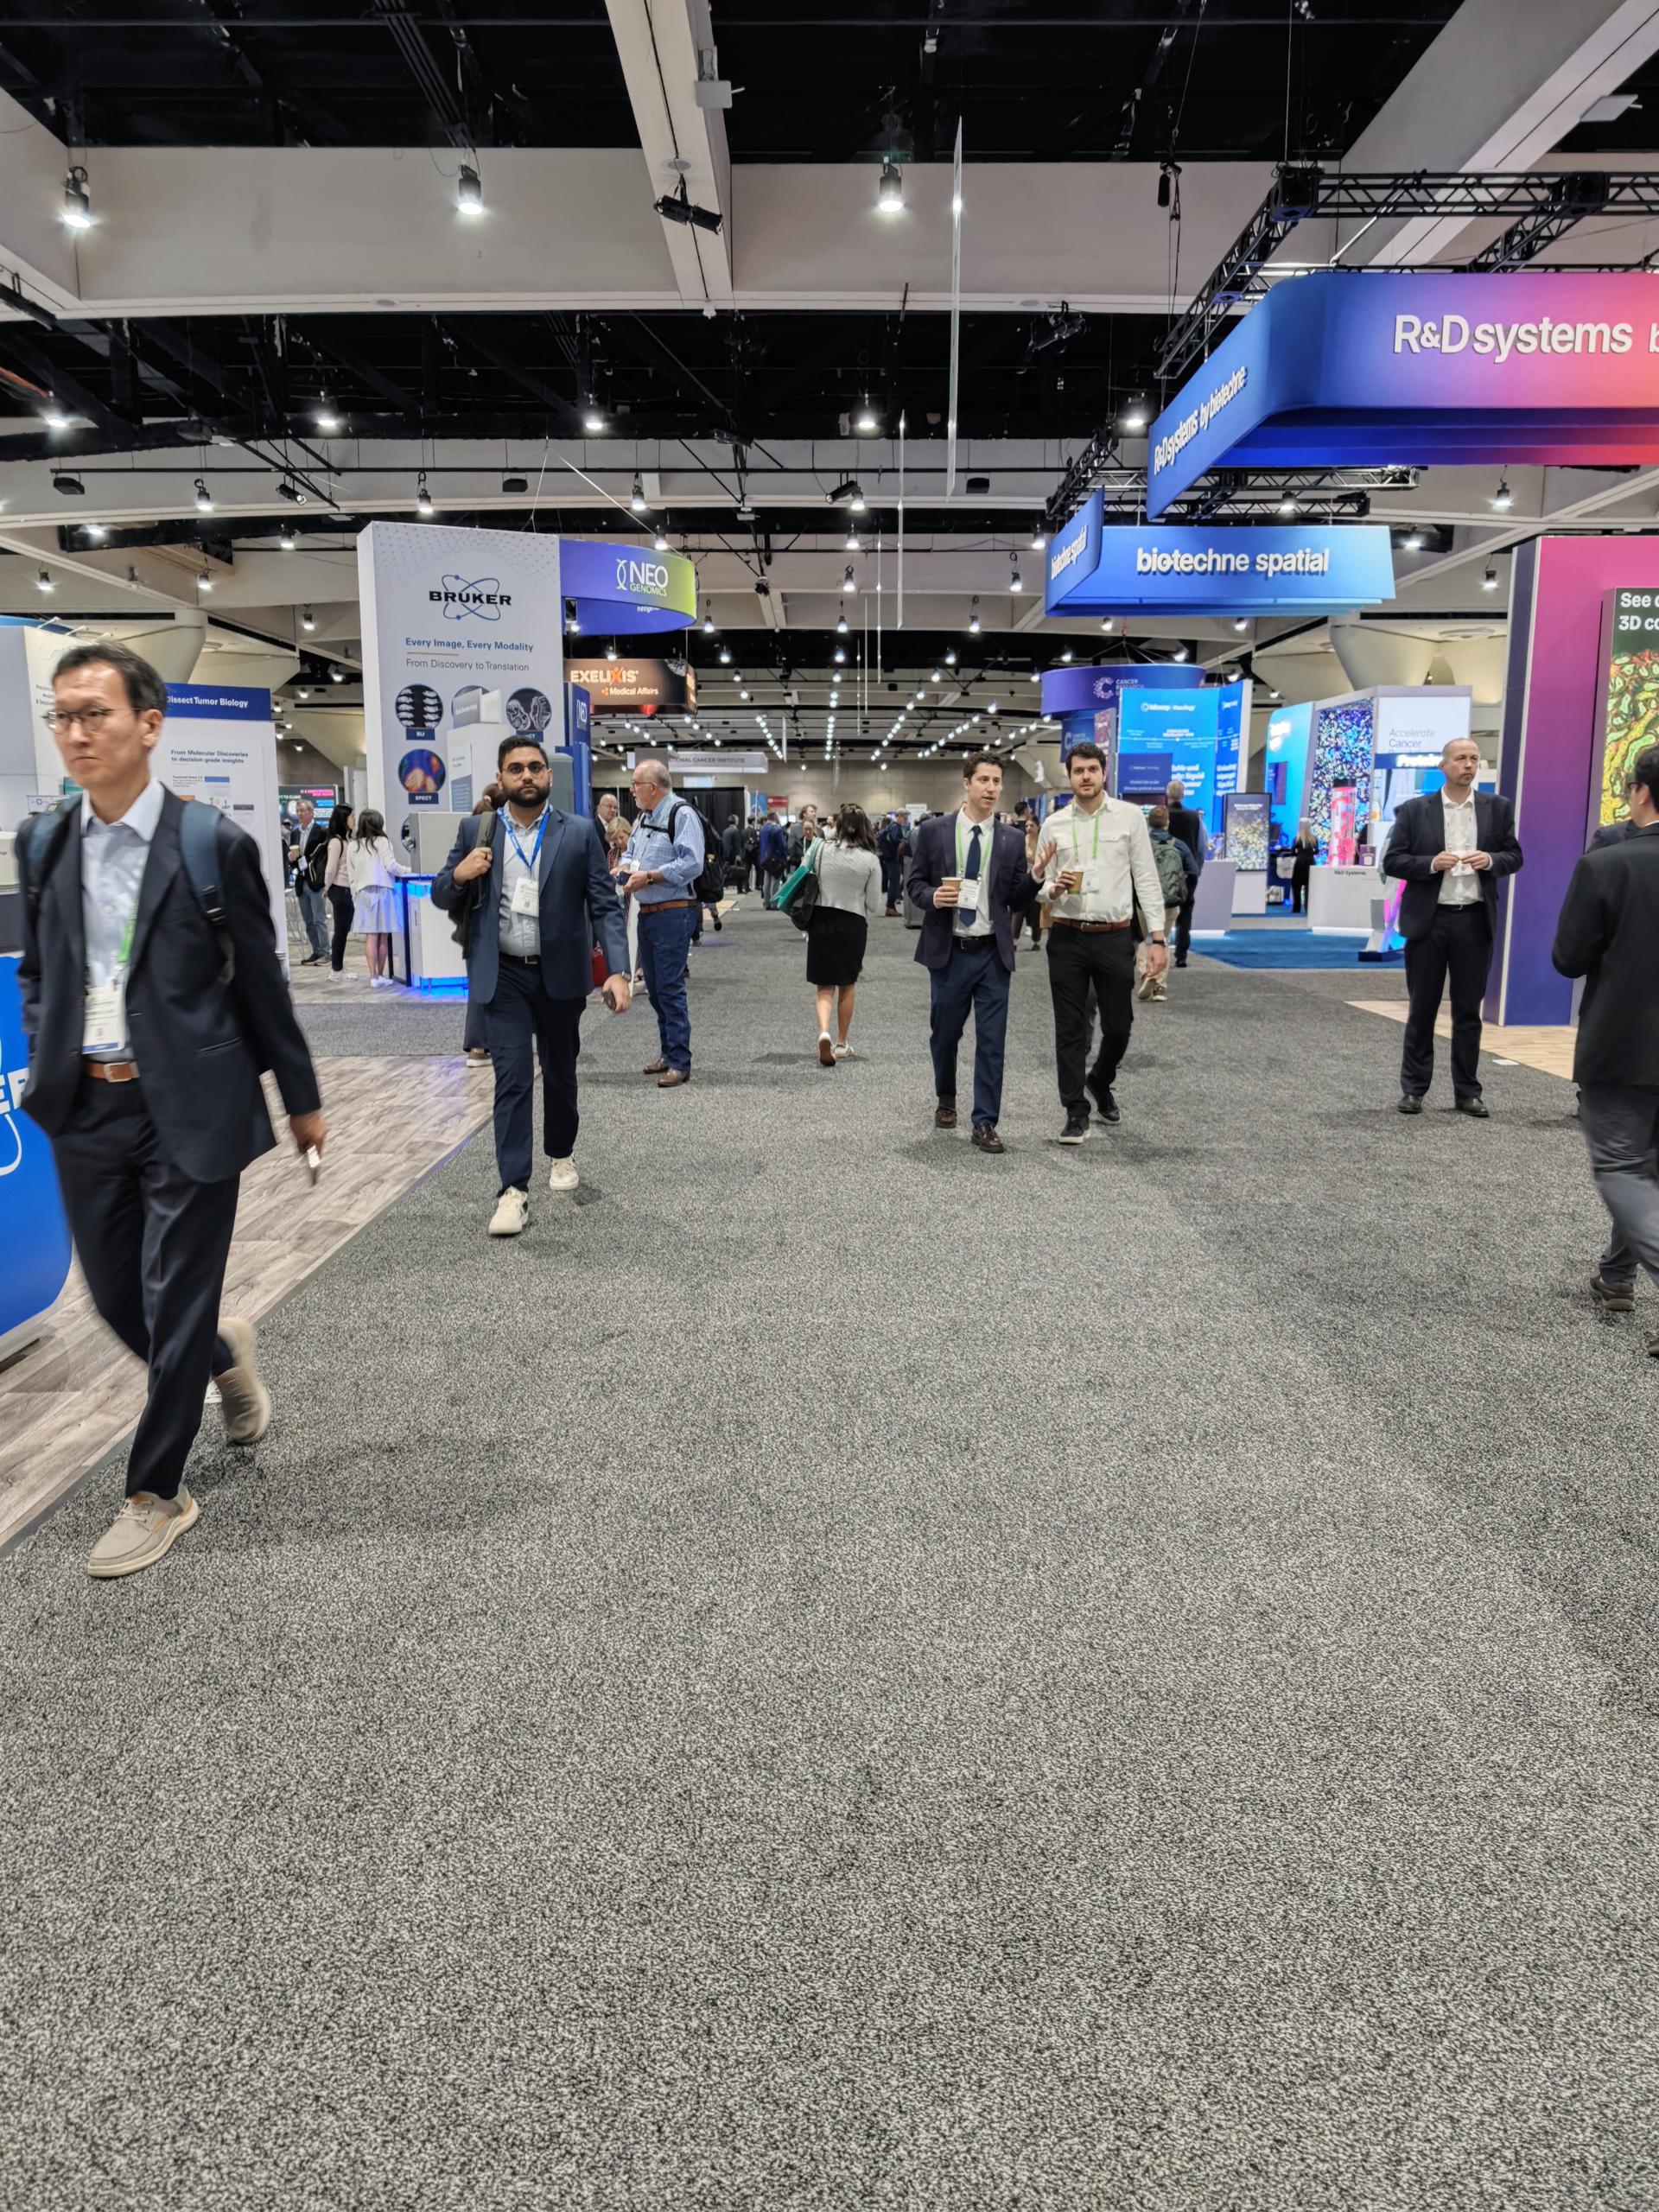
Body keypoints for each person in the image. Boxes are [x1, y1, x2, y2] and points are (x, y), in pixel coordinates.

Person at [15, 641, 325, 1578]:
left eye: (94, 713)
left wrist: (301, 1097)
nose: (76, 732)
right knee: (117, 1295)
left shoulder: (209, 843)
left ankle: (157, 1491)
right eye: (62, 715)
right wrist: (46, 1047)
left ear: (149, 724)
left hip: (192, 1102)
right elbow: (40, 971)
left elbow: (262, 983)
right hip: (85, 1105)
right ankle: (222, 1353)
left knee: (178, 1294)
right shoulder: (42, 842)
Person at [432, 736, 629, 1236]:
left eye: (535, 768)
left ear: (549, 777)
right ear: (501, 777)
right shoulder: (475, 829)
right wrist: (459, 873)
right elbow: (440, 891)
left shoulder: (580, 833)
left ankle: (561, 1153)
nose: (526, 776)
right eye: (515, 768)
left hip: (559, 974)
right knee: (513, 1079)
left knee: (560, 1073)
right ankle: (513, 1190)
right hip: (504, 976)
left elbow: (604, 905)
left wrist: (618, 970)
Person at [1552, 744, 1659, 1340]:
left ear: (1640, 792)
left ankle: (1622, 1275)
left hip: (1623, 1045)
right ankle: (1617, 1275)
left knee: (1622, 1167)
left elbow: (1569, 959)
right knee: (1648, 1172)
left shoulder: (1607, 864)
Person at [1030, 742, 1168, 1142]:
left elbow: (1146, 879)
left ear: (1103, 773)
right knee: (1070, 1029)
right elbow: (1040, 885)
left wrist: (1157, 938)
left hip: (1114, 937)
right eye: (1078, 771)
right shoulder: (1054, 824)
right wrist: (1050, 887)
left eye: (1092, 769)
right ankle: (1075, 1110)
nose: (1085, 776)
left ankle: (1100, 1078)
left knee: (1119, 1026)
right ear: (1069, 776)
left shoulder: (1128, 818)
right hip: (1068, 937)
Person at [906, 754, 1042, 1154]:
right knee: (944, 1035)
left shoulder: (1012, 839)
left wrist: (1035, 877)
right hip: (949, 953)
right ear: (967, 783)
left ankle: (984, 1121)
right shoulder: (933, 832)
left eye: (997, 781)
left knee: (992, 1041)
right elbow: (913, 885)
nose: (991, 788)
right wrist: (933, 896)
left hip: (992, 954)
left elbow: (1016, 899)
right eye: (983, 779)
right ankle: (946, 1095)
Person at [1382, 737, 1523, 1118]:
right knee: (1422, 1009)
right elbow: (1393, 861)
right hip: (1429, 922)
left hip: (1474, 920)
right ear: (1443, 766)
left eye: (1475, 759)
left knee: (1467, 1012)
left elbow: (1515, 856)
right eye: (1461, 758)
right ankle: (1413, 1090)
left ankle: (1467, 1092)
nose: (1469, 765)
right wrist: (1431, 863)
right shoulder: (1414, 811)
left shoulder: (1497, 809)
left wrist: (1491, 860)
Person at [617, 757, 704, 1088]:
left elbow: (692, 863)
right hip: (649, 914)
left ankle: (680, 1062)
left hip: (673, 912)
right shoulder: (643, 818)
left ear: (652, 787)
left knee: (669, 988)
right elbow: (631, 852)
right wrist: (624, 868)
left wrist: (650, 876)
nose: (632, 790)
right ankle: (669, 1053)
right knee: (655, 989)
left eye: (635, 784)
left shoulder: (681, 814)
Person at [807, 802, 883, 1064]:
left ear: (837, 826)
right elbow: (874, 904)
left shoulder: (820, 849)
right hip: (853, 923)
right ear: (866, 829)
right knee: (847, 985)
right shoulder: (871, 859)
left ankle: (823, 1032)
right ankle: (841, 1043)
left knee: (824, 987)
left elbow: (804, 874)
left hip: (821, 919)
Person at [1139, 804, 1198, 1002]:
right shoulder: (1179, 845)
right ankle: (1160, 987)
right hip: (1170, 902)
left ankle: (1146, 972)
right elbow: (1193, 871)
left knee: (1138, 938)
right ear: (1167, 823)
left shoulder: (1142, 844)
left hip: (1143, 902)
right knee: (1162, 939)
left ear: (1149, 823)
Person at [347, 807, 407, 988]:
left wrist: (354, 896)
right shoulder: (383, 841)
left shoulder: (353, 845)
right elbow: (392, 866)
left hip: (363, 892)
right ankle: (380, 975)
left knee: (370, 936)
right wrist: (410, 871)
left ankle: (373, 976)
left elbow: (352, 875)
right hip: (383, 891)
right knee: (383, 935)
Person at [1165, 781, 1205, 967]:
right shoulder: (1194, 817)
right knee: (1186, 911)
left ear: (1167, 794)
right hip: (1189, 872)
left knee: (1161, 911)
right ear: (1183, 795)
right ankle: (1181, 955)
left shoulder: (1160, 815)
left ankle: (1160, 947)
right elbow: (1201, 845)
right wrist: (1198, 867)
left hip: (1165, 871)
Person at [289, 798, 330, 964]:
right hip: (300, 880)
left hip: (315, 881)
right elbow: (293, 860)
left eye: (303, 810)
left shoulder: (321, 831)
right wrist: (290, 859)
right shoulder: (295, 833)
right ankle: (317, 951)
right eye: (298, 811)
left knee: (319, 918)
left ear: (311, 812)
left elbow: (325, 856)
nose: (300, 814)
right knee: (308, 920)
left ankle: (326, 952)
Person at [319, 799, 355, 978]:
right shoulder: (336, 842)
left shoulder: (346, 840)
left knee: (343, 930)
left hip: (345, 889)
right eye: (352, 817)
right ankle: (336, 969)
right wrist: (326, 887)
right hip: (339, 890)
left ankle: (338, 967)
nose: (354, 820)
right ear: (343, 820)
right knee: (341, 930)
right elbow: (331, 868)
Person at [876, 811, 906, 917]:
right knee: (894, 881)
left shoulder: (890, 826)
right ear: (899, 817)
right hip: (892, 857)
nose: (905, 819)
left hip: (888, 857)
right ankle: (890, 907)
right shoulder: (895, 827)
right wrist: (902, 842)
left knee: (893, 880)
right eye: (904, 817)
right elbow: (894, 840)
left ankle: (891, 906)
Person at [1289, 817, 1318, 916]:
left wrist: (1300, 854)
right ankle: (1308, 908)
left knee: (1296, 886)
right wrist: (1310, 853)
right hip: (1311, 863)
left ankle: (1296, 908)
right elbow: (1317, 851)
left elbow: (1292, 852)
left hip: (1299, 863)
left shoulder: (1297, 838)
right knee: (1309, 887)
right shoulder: (1314, 838)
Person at [758, 812, 787, 905]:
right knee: (775, 881)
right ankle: (774, 904)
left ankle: (766, 902)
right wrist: (784, 857)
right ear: (775, 817)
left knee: (766, 881)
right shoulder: (777, 829)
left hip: (765, 858)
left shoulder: (763, 829)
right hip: (776, 858)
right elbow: (782, 845)